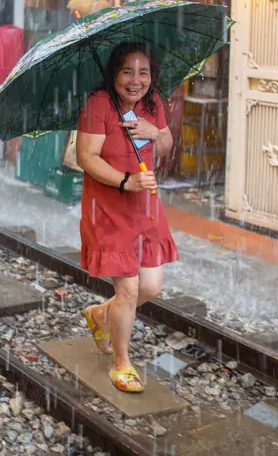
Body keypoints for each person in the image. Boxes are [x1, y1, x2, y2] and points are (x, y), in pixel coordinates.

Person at [76, 42, 177, 394]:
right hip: (108, 208)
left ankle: (101, 315)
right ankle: (121, 362)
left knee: (151, 286)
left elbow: (165, 145)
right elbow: (86, 157)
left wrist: (155, 133)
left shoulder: (153, 104)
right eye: (127, 72)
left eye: (143, 72)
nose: (136, 80)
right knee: (130, 289)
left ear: (152, 76)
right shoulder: (99, 105)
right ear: (114, 74)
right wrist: (125, 181)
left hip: (145, 207)